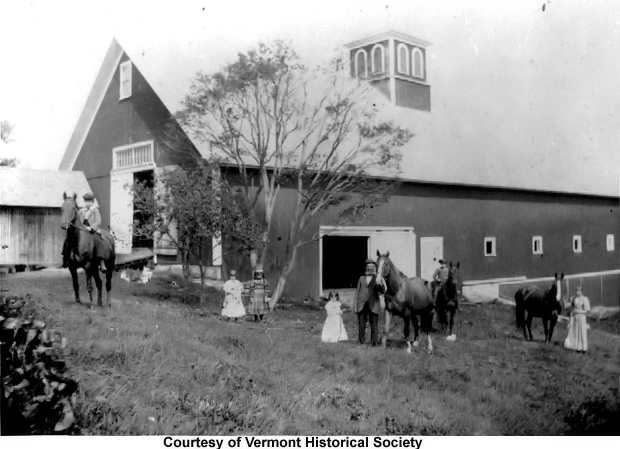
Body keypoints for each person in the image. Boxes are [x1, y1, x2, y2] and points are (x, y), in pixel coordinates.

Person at [62, 192, 106, 272]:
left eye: (90, 201)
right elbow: (78, 220)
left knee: (99, 240)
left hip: (92, 230)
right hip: (83, 229)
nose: (88, 203)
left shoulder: (95, 210)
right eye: (86, 201)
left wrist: (91, 228)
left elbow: (98, 221)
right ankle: (65, 259)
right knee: (67, 241)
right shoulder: (81, 211)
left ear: (93, 202)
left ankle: (101, 261)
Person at [354, 258, 386, 346]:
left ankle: (374, 343)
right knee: (361, 324)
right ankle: (361, 342)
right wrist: (355, 305)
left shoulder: (378, 278)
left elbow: (383, 291)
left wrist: (379, 284)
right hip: (362, 304)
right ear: (365, 268)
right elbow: (357, 292)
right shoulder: (361, 278)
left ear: (375, 268)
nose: (370, 268)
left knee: (374, 324)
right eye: (368, 266)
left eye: (372, 266)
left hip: (374, 304)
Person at [564, 286, 591, 353]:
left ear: (581, 291)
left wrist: (578, 311)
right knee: (576, 331)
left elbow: (587, 310)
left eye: (578, 291)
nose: (577, 292)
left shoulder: (585, 299)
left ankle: (584, 348)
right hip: (575, 317)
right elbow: (569, 306)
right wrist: (565, 302)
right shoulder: (575, 299)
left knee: (582, 331)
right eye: (576, 290)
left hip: (582, 317)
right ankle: (578, 347)